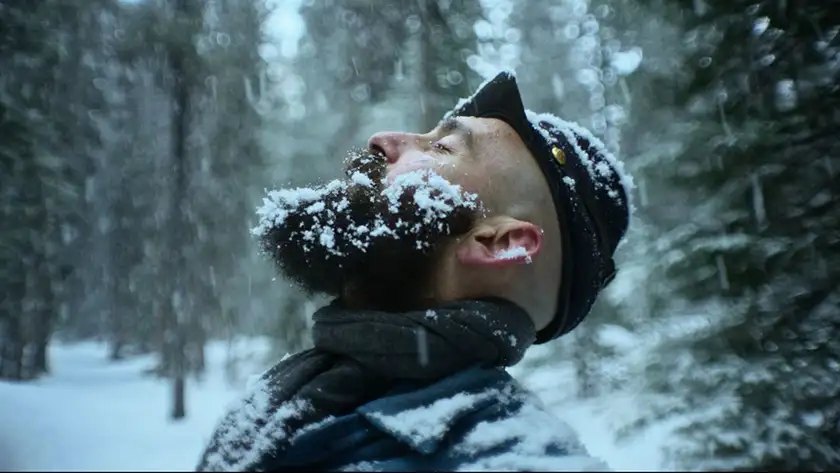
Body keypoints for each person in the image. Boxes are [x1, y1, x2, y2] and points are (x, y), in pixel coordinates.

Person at [195, 70, 634, 472]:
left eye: (442, 147)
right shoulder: (289, 399)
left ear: (498, 244)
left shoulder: (512, 460)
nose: (381, 139)